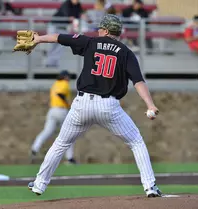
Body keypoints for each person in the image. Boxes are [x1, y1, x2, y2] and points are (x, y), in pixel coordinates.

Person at [26, 14, 162, 198]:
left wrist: (39, 39)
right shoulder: (126, 52)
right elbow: (138, 81)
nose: (98, 30)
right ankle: (150, 187)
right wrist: (150, 104)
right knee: (136, 142)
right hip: (109, 106)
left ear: (105, 30)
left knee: (60, 143)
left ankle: (39, 185)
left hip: (82, 104)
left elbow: (60, 37)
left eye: (100, 28)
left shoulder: (90, 42)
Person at [30, 70, 77, 165]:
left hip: (52, 110)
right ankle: (70, 158)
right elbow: (60, 94)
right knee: (69, 134)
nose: (68, 78)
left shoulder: (55, 84)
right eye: (67, 76)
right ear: (64, 77)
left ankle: (35, 148)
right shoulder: (64, 83)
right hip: (61, 110)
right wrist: (68, 103)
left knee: (47, 131)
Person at [43, 0, 84, 68]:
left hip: (63, 28)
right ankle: (49, 63)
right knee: (52, 45)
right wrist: (73, 18)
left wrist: (80, 17)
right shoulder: (67, 3)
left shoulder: (78, 5)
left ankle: (52, 63)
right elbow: (66, 15)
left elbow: (80, 14)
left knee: (61, 46)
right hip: (54, 26)